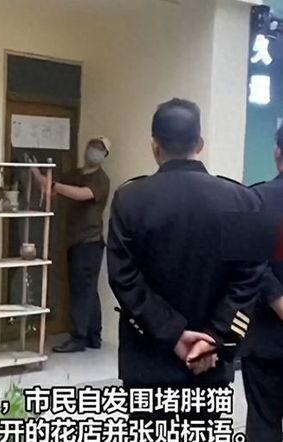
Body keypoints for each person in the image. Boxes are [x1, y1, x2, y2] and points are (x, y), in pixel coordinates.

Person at [106, 98, 267, 400]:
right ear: (200, 144)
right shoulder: (242, 200)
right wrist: (214, 336)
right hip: (210, 361)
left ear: (154, 146)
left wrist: (173, 334)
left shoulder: (130, 200)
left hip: (147, 359)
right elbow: (249, 278)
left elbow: (123, 278)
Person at [31, 136, 111, 353]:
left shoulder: (101, 179)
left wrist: (53, 183)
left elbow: (83, 194)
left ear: (105, 155)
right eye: (93, 146)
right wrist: (37, 174)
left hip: (89, 242)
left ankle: (79, 337)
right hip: (74, 240)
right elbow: (52, 191)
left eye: (100, 149)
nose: (94, 151)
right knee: (87, 289)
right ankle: (93, 336)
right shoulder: (75, 175)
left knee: (82, 290)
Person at [241, 126, 283, 442]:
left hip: (266, 336)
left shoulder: (253, 198)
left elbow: (241, 260)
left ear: (277, 153)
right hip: (265, 337)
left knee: (263, 423)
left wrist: (277, 298)